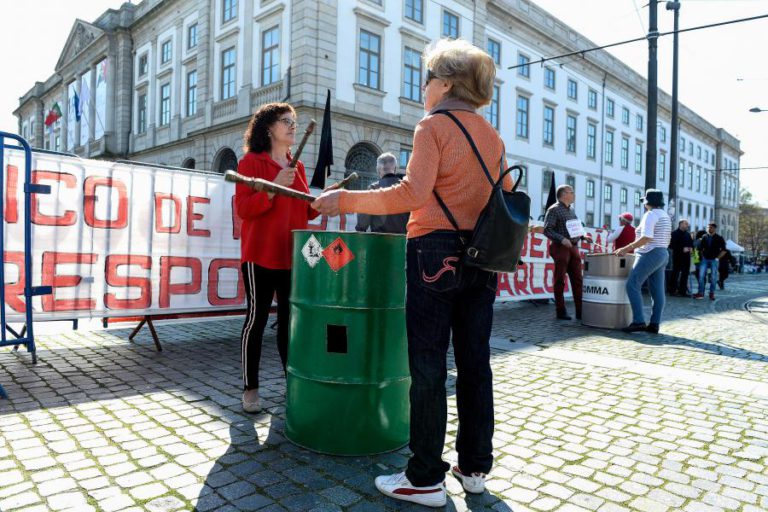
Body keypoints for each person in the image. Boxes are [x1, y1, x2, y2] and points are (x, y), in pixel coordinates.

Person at [312, 38, 509, 507]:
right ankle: (474, 466)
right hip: (482, 256)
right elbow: (503, 190)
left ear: (444, 83)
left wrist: (342, 200)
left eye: (425, 78)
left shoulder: (433, 126)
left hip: (433, 251)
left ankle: (424, 478)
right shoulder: (492, 135)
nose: (422, 87)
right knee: (475, 364)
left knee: (427, 367)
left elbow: (410, 194)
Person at [235, 102, 319, 413]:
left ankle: (292, 384)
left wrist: (321, 202)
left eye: (294, 121)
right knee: (255, 321)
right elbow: (244, 209)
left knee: (288, 325)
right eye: (286, 121)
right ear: (269, 128)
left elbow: (304, 210)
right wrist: (272, 189)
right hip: (260, 254)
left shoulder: (297, 167)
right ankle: (250, 388)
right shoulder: (251, 163)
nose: (293, 126)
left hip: (291, 256)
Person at [616, 189, 671, 334]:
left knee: (632, 284)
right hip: (662, 253)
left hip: (649, 253)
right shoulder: (664, 215)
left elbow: (646, 237)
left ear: (647, 202)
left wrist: (626, 248)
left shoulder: (650, 215)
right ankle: (654, 324)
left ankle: (639, 321)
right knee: (657, 291)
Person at [543, 185, 593, 320]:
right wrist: (562, 239)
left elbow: (576, 228)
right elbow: (547, 230)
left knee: (578, 280)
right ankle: (560, 310)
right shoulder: (553, 209)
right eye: (572, 192)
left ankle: (580, 311)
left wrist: (583, 236)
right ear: (564, 194)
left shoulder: (571, 209)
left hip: (573, 247)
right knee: (560, 280)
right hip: (560, 248)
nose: (574, 195)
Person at [355, 153, 409, 234]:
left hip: (379, 241)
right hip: (402, 242)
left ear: (378, 170)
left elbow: (363, 221)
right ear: (395, 168)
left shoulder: (373, 188)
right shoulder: (406, 188)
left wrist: (360, 228)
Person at [693, 223, 726, 300]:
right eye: (708, 227)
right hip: (705, 259)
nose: (709, 229)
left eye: (710, 227)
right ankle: (700, 293)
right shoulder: (704, 237)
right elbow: (700, 248)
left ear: (714, 228)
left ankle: (712, 293)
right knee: (701, 276)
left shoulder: (719, 238)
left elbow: (724, 250)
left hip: (714, 260)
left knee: (713, 277)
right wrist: (702, 256)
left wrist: (717, 258)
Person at [668, 219, 693, 296]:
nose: (687, 225)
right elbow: (670, 245)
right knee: (675, 273)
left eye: (687, 224)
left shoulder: (688, 234)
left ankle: (682, 291)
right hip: (677, 256)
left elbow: (691, 244)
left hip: (686, 257)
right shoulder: (674, 233)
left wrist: (691, 248)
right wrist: (682, 248)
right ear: (681, 224)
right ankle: (672, 291)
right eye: (686, 224)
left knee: (685, 274)